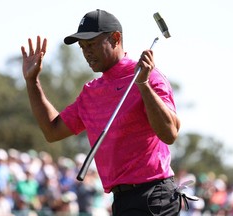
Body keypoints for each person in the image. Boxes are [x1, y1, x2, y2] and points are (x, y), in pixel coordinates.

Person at [21, 9, 184, 216]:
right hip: (120, 201)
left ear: (115, 38)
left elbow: (170, 134)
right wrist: (32, 82)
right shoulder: (91, 92)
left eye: (91, 45)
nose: (86, 52)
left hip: (155, 196)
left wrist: (142, 84)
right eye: (82, 47)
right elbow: (52, 131)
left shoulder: (148, 77)